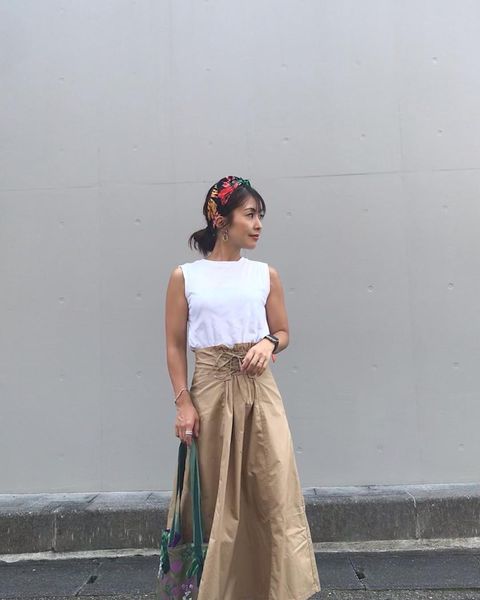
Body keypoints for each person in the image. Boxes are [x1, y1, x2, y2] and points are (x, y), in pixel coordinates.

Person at [163, 175, 321, 599]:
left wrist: (268, 343)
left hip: (259, 394)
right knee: (212, 498)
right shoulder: (186, 277)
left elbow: (283, 331)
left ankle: (272, 589)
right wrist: (183, 403)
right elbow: (175, 345)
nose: (258, 224)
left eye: (260, 216)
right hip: (210, 394)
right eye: (250, 214)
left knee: (271, 490)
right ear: (221, 219)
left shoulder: (265, 274)